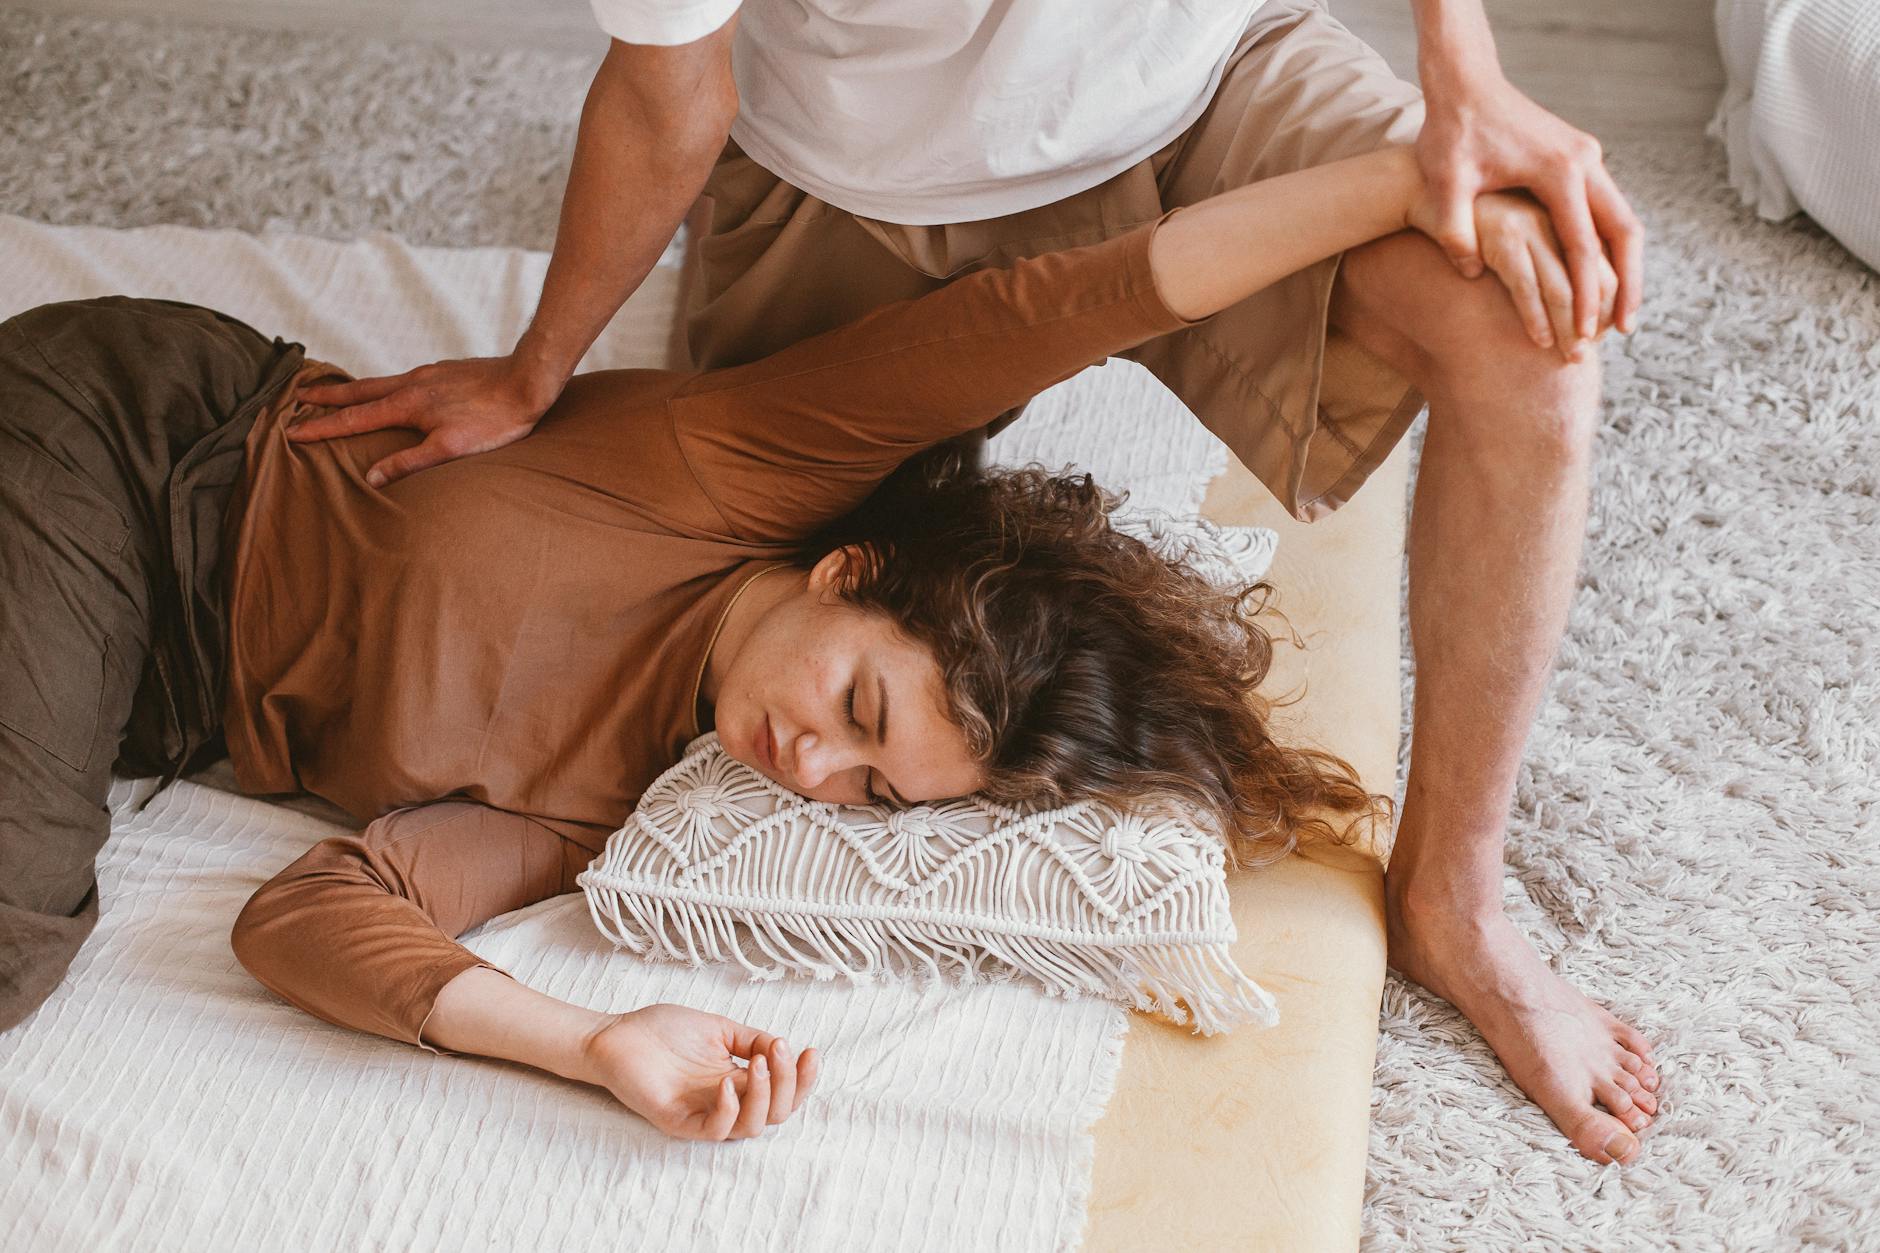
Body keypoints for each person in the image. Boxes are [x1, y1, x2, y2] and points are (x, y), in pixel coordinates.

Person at [0, 147, 1616, 1143]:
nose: (811, 765)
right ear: (852, 571)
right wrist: (1407, 179)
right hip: (151, 447)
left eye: (873, 787)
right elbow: (1061, 308)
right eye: (858, 701)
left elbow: (310, 914)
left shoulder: (607, 815)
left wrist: (593, 1042)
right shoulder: (736, 471)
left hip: (137, 688)